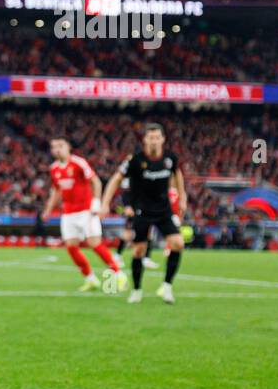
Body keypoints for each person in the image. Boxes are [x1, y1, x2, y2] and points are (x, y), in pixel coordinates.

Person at [101, 123, 186, 304]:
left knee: (178, 243)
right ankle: (137, 290)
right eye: (150, 138)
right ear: (145, 140)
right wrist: (105, 203)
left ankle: (167, 287)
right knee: (139, 251)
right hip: (142, 210)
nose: (154, 141)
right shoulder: (135, 160)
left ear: (163, 139)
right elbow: (116, 179)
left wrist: (183, 197)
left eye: (157, 137)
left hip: (163, 210)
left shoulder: (170, 158)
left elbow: (177, 174)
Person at [41, 136, 126, 292]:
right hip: (68, 213)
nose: (57, 149)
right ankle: (90, 279)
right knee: (71, 246)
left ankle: (119, 274)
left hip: (86, 211)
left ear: (68, 147)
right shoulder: (54, 168)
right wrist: (48, 209)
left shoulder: (78, 163)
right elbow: (56, 191)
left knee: (94, 243)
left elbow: (96, 182)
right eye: (54, 147)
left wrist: (96, 203)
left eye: (60, 145)